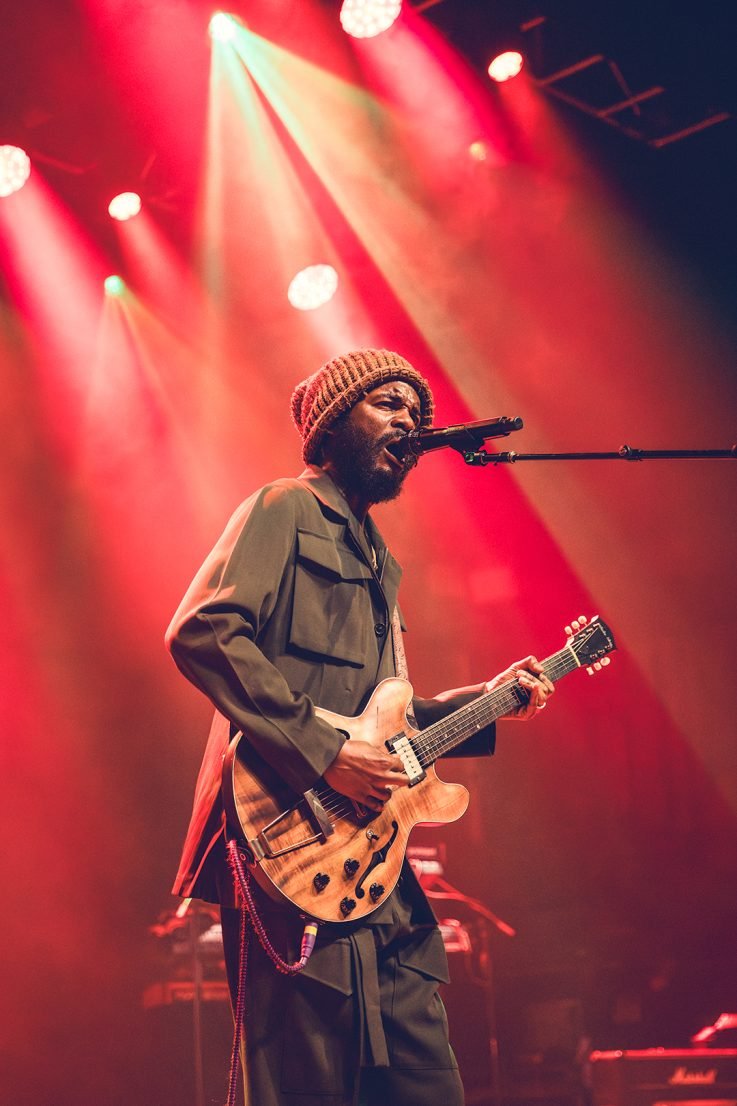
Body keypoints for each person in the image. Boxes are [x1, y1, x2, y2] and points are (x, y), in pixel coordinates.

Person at [166, 348, 554, 1106]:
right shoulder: (285, 507)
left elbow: (381, 720)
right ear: (332, 424)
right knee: (304, 1080)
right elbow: (204, 632)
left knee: (423, 1074)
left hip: (370, 867)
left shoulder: (378, 558)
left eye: (416, 411)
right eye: (388, 405)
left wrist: (489, 700)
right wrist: (322, 756)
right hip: (286, 839)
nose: (410, 421)